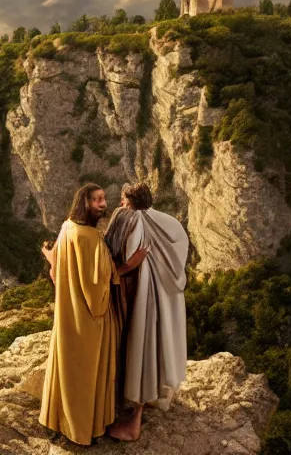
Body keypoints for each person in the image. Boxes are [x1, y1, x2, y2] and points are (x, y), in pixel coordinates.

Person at [104, 182, 189, 442]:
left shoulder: (134, 223)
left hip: (143, 295)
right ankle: (148, 396)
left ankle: (134, 423)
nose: (120, 205)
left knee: (141, 348)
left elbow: (129, 259)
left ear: (131, 203)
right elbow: (180, 250)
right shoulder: (167, 221)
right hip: (165, 295)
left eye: (123, 201)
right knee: (155, 345)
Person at [38, 183, 120, 446]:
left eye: (103, 199)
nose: (103, 204)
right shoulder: (92, 239)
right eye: (97, 200)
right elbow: (100, 286)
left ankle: (59, 423)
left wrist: (50, 256)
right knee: (86, 374)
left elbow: (56, 271)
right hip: (88, 320)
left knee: (65, 369)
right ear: (85, 203)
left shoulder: (66, 228)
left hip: (66, 316)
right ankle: (86, 429)